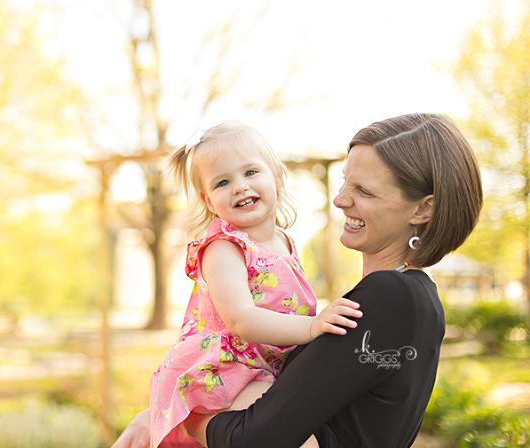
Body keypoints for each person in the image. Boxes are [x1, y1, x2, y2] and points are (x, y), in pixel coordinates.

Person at [113, 113, 483, 448]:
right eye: (344, 183)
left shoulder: (392, 295)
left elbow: (255, 437)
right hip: (228, 366)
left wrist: (185, 419)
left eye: (364, 191)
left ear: (422, 209)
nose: (339, 200)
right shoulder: (410, 296)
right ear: (209, 200)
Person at [148, 122, 362, 448]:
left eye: (250, 172)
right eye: (223, 182)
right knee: (292, 438)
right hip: (225, 368)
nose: (238, 187)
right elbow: (240, 319)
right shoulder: (223, 246)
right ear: (208, 201)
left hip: (265, 369)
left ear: (277, 176)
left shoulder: (286, 243)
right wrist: (312, 326)